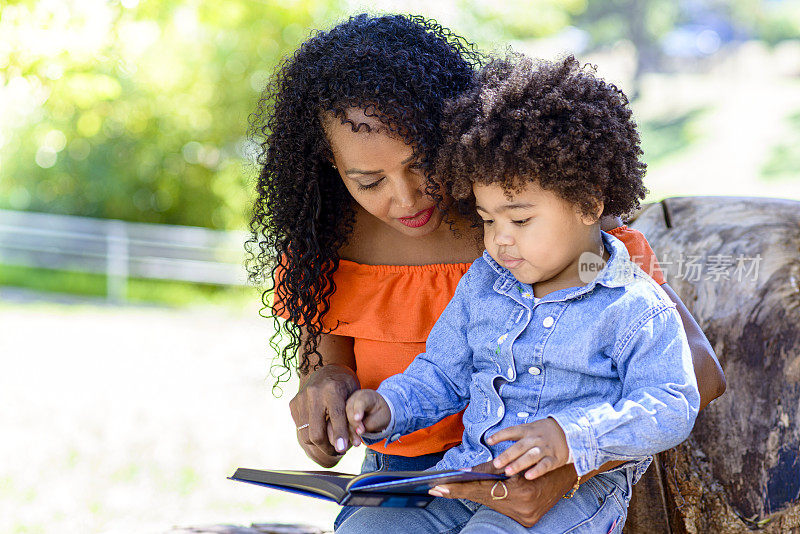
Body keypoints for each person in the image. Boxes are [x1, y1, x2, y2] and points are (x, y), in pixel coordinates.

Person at [246, 13, 726, 529]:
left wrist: (566, 467)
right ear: (330, 166)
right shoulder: (326, 238)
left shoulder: (543, 218)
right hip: (413, 473)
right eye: (368, 181)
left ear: (449, 132)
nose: (405, 198)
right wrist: (332, 392)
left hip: (565, 472)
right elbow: (346, 365)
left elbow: (694, 371)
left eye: (421, 162)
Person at [340, 53, 700, 533]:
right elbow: (442, 373)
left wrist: (570, 437)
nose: (500, 238)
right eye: (488, 220)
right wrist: (389, 408)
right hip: (468, 473)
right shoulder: (485, 283)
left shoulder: (634, 305)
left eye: (520, 220)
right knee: (369, 527)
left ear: (589, 203)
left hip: (570, 495)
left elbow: (672, 404)